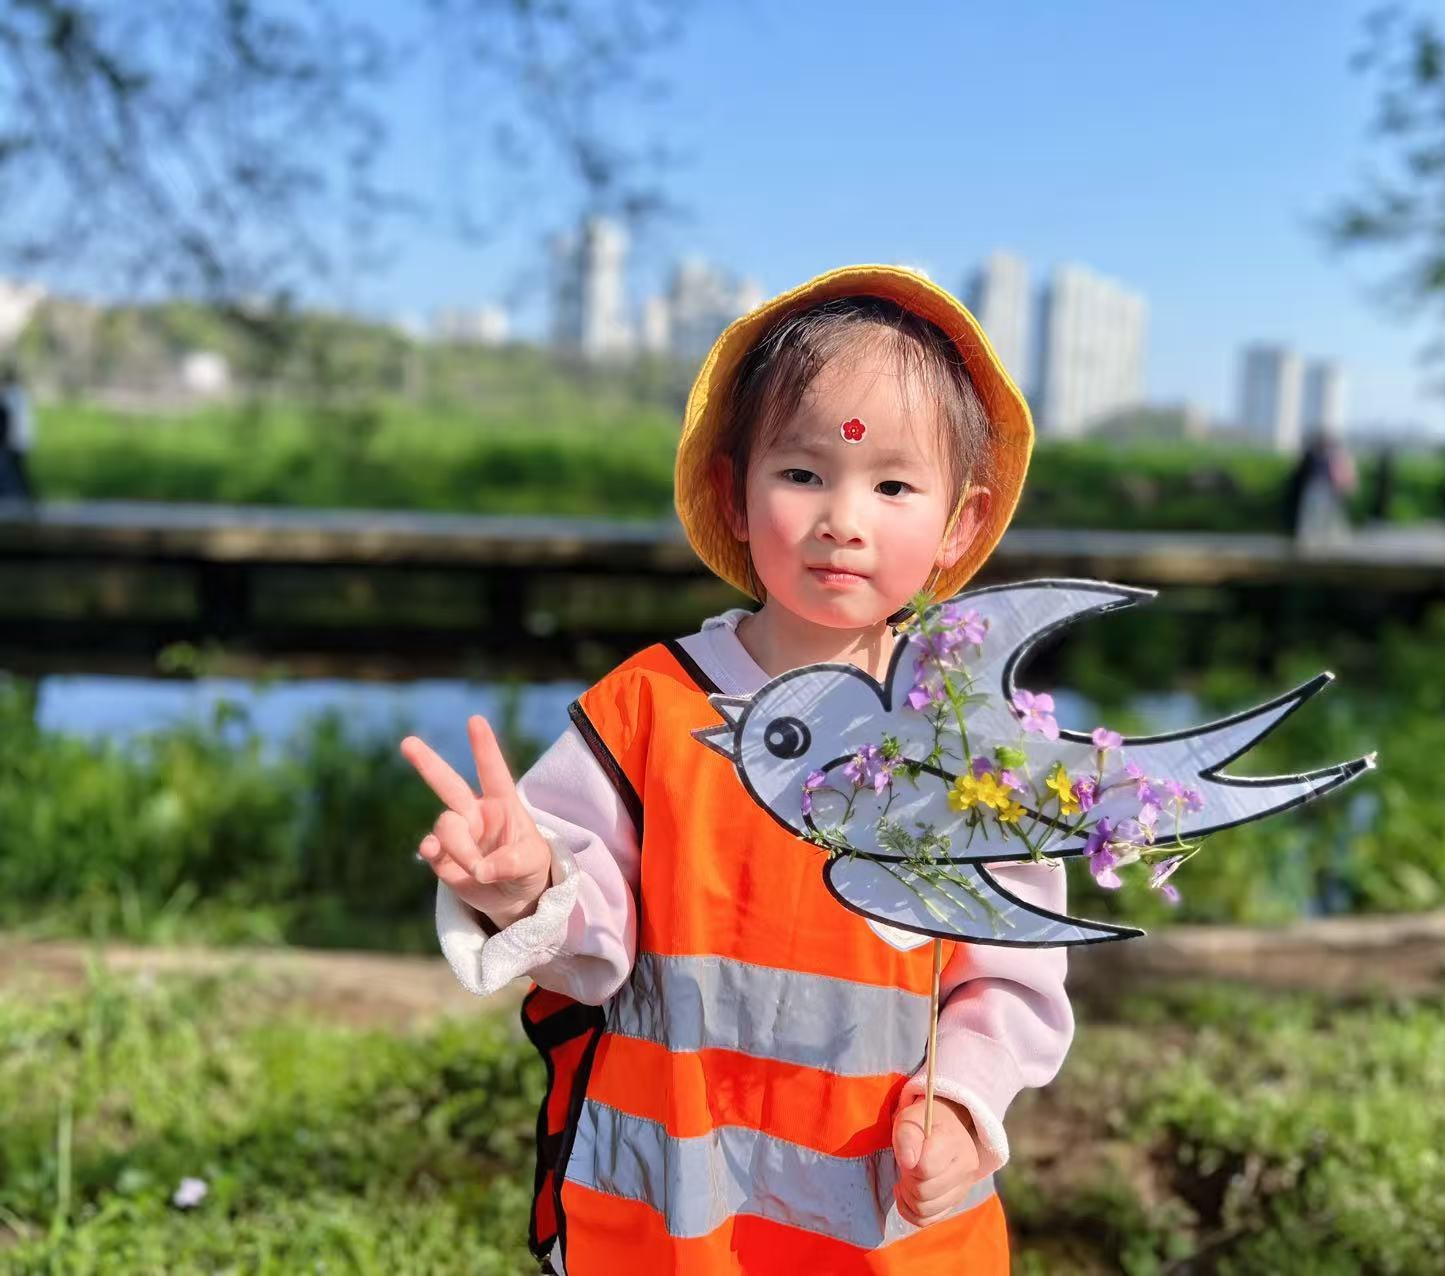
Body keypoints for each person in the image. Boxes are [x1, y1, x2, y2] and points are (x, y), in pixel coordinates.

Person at [401, 266, 1068, 1274]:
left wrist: (966, 1105)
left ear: (960, 524)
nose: (844, 517)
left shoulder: (971, 745)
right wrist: (526, 883)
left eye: (892, 485)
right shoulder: (646, 709)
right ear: (735, 491)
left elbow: (1012, 980)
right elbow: (592, 948)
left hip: (876, 1218)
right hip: (677, 1213)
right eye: (802, 474)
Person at [0, 364, 34, 503]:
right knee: (19, 472)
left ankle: (26, 498)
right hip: (22, 440)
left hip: (14, 441)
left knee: (16, 472)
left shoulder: (10, 396)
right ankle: (27, 498)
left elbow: (10, 420)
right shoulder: (21, 395)